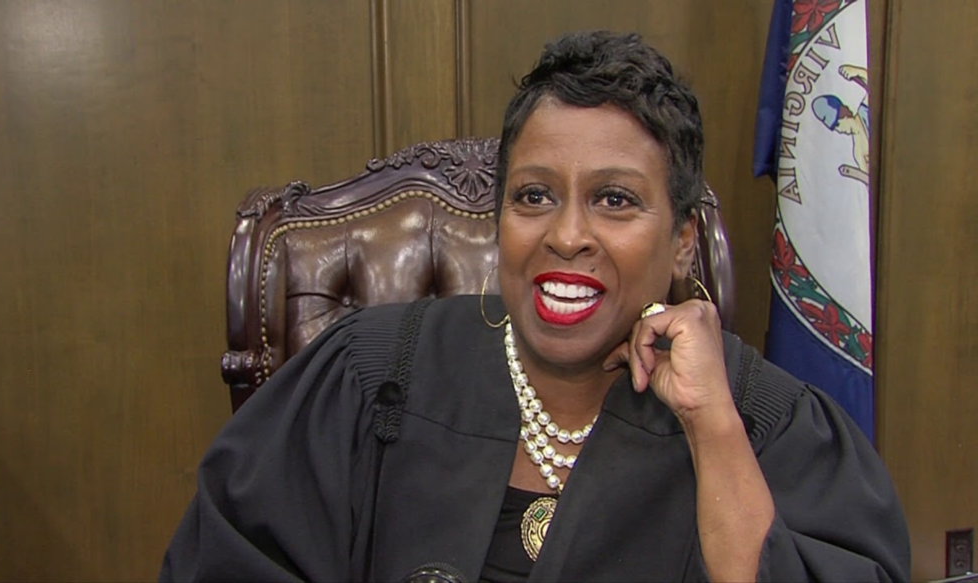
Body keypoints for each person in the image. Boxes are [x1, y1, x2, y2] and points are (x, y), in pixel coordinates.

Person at [160, 31, 910, 582]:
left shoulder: (765, 421)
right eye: (534, 196)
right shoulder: (368, 372)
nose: (567, 234)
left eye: (614, 199)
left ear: (683, 241)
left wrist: (713, 428)